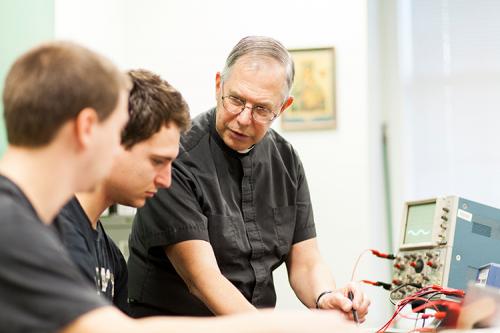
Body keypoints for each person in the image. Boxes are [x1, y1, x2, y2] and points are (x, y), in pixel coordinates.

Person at [0, 41, 361, 333]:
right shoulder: (14, 226)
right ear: (88, 129)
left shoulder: (89, 245)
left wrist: (319, 301)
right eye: (117, 135)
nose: (166, 179)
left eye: (262, 108)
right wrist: (287, 326)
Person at [127, 36, 371, 320]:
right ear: (219, 85)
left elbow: (306, 261)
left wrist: (325, 297)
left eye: (261, 109)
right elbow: (204, 281)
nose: (244, 118)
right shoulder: (176, 158)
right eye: (236, 100)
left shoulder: (286, 160)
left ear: (283, 107)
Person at [55, 68, 190, 314]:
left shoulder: (112, 257)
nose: (166, 180)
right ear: (112, 142)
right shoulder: (48, 233)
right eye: (157, 161)